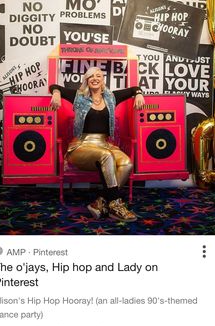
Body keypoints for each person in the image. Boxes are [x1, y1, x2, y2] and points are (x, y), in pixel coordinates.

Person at [49, 67, 145, 222]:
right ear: (86, 80)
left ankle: (100, 202)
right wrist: (56, 93)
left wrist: (139, 94)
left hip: (104, 144)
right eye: (91, 76)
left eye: (98, 75)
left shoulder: (111, 97)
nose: (94, 78)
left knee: (127, 163)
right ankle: (116, 205)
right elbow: (54, 86)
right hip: (81, 145)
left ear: (102, 80)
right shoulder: (78, 96)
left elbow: (134, 89)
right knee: (106, 156)